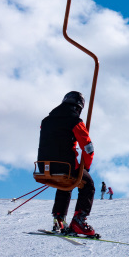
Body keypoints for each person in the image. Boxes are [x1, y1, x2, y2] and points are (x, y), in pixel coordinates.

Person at [37, 91, 97, 236]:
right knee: (87, 184)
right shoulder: (75, 121)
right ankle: (79, 220)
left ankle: (59, 219)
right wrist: (86, 167)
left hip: (43, 166)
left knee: (66, 182)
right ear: (79, 107)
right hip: (65, 165)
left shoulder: (46, 121)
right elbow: (88, 147)